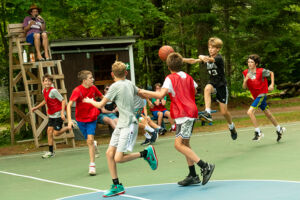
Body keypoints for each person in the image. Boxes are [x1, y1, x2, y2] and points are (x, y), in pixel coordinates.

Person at [83, 61, 158, 197]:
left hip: (129, 125)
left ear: (112, 74)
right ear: (126, 73)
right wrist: (153, 97)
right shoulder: (129, 83)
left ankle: (145, 154)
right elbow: (141, 93)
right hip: (122, 124)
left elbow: (100, 104)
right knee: (109, 154)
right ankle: (116, 185)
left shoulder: (114, 86)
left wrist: (89, 101)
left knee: (118, 158)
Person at [139, 52, 215, 186]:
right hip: (188, 112)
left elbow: (161, 94)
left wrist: (144, 92)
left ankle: (205, 166)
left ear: (168, 66)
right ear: (181, 64)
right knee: (185, 144)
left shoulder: (170, 78)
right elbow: (195, 90)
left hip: (184, 113)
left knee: (178, 145)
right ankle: (193, 175)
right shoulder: (188, 76)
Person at [184, 37, 238, 140]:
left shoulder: (218, 58)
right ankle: (207, 112)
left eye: (213, 48)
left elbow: (208, 59)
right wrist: (181, 59)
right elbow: (193, 61)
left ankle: (231, 126)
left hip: (221, 86)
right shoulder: (207, 57)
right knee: (207, 88)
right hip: (213, 84)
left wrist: (201, 55)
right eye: (209, 47)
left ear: (218, 49)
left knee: (224, 112)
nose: (210, 49)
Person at [67, 70, 103, 176]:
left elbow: (102, 98)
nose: (93, 79)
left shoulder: (94, 88)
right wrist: (69, 120)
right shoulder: (77, 91)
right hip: (80, 119)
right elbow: (69, 105)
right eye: (90, 78)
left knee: (90, 140)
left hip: (92, 118)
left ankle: (92, 165)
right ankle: (94, 144)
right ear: (84, 80)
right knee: (89, 141)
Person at [243, 54, 286, 141]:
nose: (249, 64)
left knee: (250, 112)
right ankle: (279, 129)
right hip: (256, 96)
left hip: (262, 94)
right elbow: (244, 87)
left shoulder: (261, 71)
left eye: (252, 62)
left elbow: (271, 73)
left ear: (256, 64)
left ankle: (258, 132)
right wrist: (245, 80)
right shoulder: (245, 73)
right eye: (248, 62)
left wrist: (272, 84)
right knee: (268, 113)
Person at [32, 74, 70, 158]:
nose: (47, 82)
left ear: (51, 82)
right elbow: (46, 100)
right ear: (42, 82)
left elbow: (63, 101)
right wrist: (36, 107)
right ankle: (51, 152)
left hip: (58, 113)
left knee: (56, 134)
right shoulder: (44, 91)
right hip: (52, 115)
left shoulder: (54, 91)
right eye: (46, 81)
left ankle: (69, 126)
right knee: (49, 132)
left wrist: (62, 113)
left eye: (49, 81)